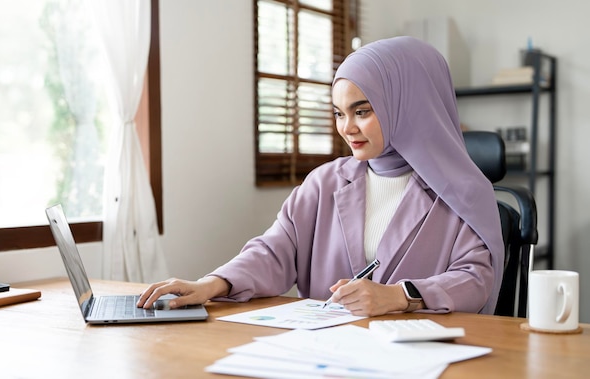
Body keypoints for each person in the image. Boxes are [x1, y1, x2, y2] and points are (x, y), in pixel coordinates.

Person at [137, 36, 504, 316]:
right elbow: (274, 250)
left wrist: (400, 296)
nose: (348, 128)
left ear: (408, 105)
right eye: (339, 113)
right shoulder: (324, 183)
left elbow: (475, 280)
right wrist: (210, 285)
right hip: (325, 356)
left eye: (362, 111)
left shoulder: (463, 193)